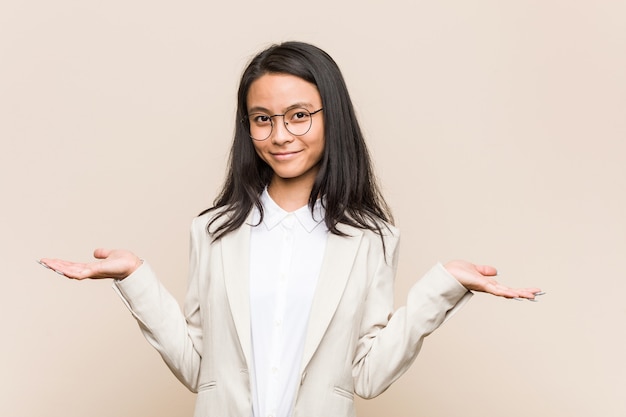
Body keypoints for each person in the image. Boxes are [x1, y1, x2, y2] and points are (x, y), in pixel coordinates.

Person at [39, 41, 542, 417]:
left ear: (332, 117)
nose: (280, 135)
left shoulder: (372, 238)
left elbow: (364, 378)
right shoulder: (212, 232)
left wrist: (443, 286)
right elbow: (201, 372)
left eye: (299, 115)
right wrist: (135, 278)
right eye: (262, 118)